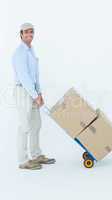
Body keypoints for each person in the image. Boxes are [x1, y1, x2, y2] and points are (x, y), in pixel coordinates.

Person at [12, 23, 56, 170]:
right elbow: (24, 77)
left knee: (36, 124)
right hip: (23, 92)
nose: (29, 34)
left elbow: (35, 75)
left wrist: (39, 93)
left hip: (33, 92)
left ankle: (36, 155)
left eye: (32, 32)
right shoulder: (19, 53)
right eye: (26, 32)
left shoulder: (31, 50)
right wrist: (34, 94)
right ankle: (23, 160)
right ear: (21, 34)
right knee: (24, 126)